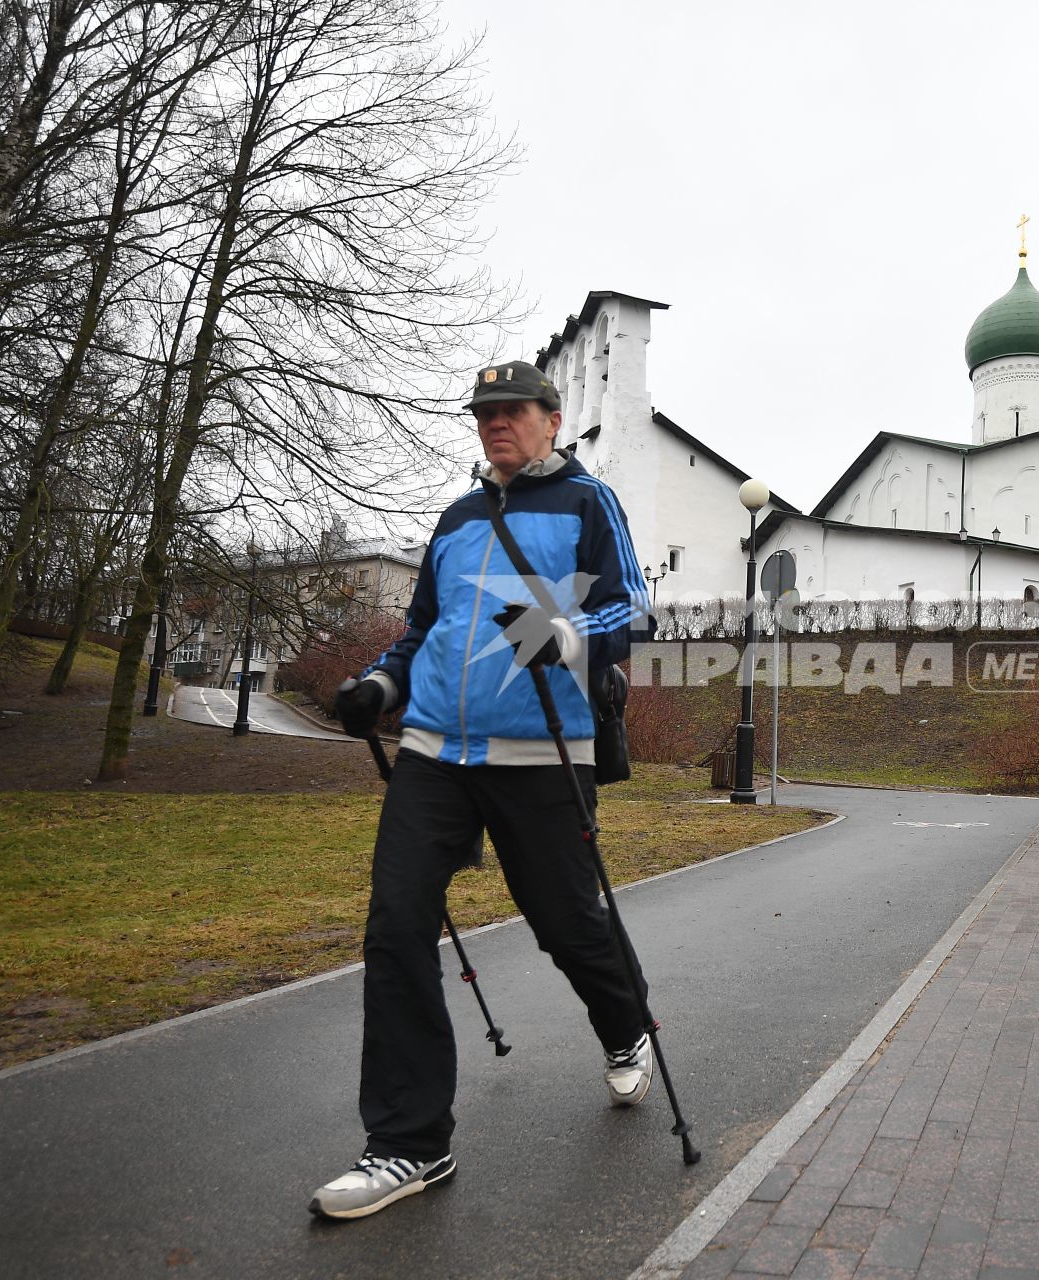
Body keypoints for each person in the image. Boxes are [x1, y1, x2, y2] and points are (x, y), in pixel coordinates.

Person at [309, 359, 651, 1220]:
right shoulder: (458, 518)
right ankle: (408, 1144)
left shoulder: (586, 502)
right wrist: (378, 688)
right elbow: (422, 632)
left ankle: (625, 1025)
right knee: (394, 928)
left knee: (568, 926)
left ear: (551, 417)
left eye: (512, 411)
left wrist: (561, 633)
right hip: (434, 756)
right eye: (484, 414)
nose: (496, 424)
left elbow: (631, 609)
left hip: (539, 755)